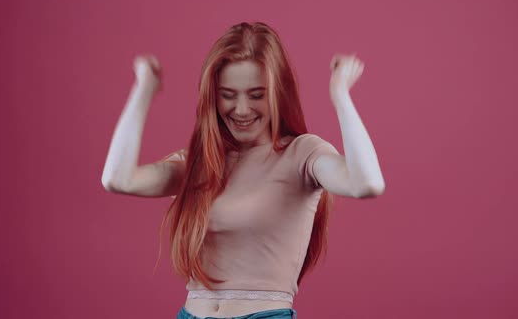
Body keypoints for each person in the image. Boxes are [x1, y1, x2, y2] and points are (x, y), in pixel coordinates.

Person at [101, 22, 385, 319]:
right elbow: (117, 179)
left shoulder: (303, 154)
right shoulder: (200, 162)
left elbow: (366, 183)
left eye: (256, 95)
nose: (241, 109)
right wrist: (143, 91)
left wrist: (340, 95)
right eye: (227, 94)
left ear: (279, 93)